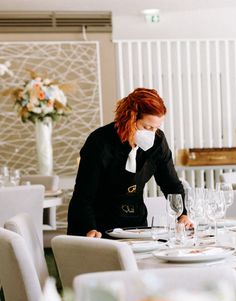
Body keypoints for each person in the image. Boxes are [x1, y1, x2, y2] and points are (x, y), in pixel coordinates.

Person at [67, 88, 191, 237]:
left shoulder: (158, 141)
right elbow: (84, 195)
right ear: (130, 119)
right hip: (97, 225)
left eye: (156, 128)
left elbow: (171, 184)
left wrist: (182, 214)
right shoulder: (100, 142)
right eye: (147, 127)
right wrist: (89, 228)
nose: (152, 133)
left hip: (136, 224)